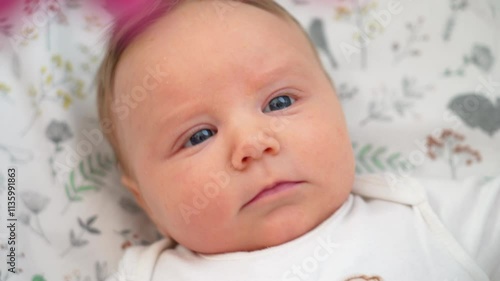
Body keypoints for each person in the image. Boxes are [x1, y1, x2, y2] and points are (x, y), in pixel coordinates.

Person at [96, 0, 500, 280]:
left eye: (280, 102)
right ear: (145, 199)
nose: (254, 143)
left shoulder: (424, 216)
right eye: (199, 135)